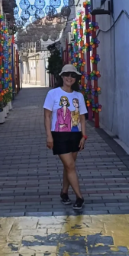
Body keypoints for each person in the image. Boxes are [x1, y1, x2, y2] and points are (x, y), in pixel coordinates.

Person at [43, 64, 88, 211]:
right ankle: (79, 197)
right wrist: (49, 136)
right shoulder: (53, 94)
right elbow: (47, 116)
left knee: (69, 166)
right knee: (70, 166)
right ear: (62, 76)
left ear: (76, 79)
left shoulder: (79, 96)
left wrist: (83, 136)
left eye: (73, 75)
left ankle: (64, 192)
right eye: (67, 75)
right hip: (59, 135)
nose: (69, 78)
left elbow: (82, 118)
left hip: (75, 135)